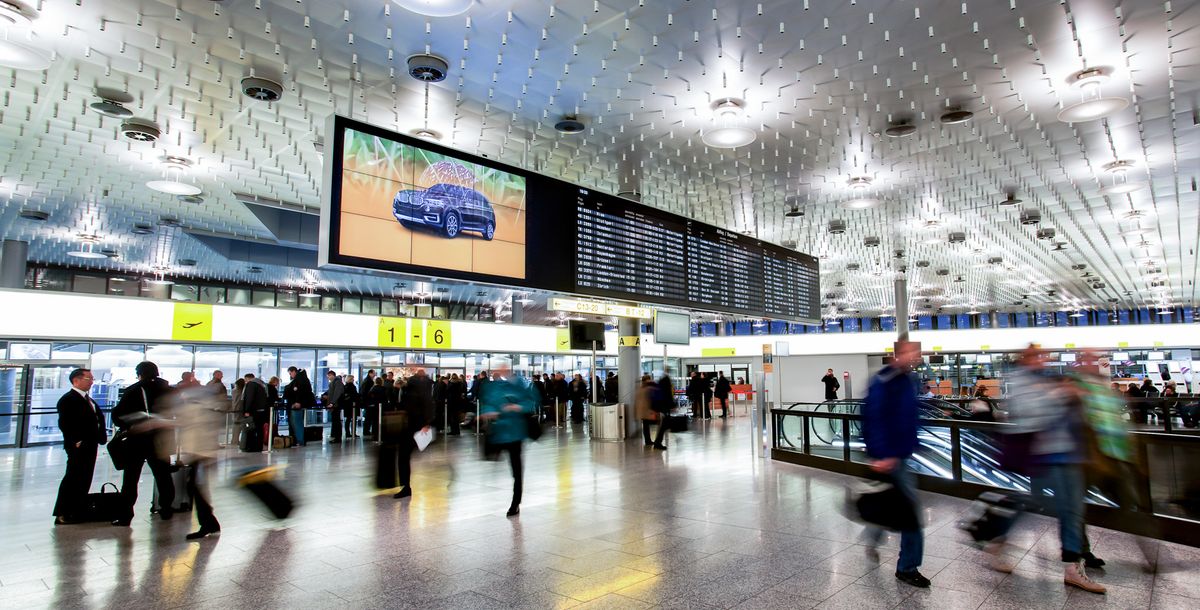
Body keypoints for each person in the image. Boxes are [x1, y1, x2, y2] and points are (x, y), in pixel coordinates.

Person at [1000, 345, 1106, 593]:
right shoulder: (1019, 381)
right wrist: (1060, 394)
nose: (1044, 360)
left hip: (1069, 453)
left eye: (1045, 356)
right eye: (1038, 356)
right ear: (1026, 359)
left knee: (1072, 511)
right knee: (1039, 504)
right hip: (1044, 456)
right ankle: (997, 536)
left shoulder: (1049, 379)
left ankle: (1072, 567)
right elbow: (1029, 413)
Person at [861, 340, 929, 589]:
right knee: (911, 516)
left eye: (917, 354)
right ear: (897, 354)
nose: (915, 358)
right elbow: (873, 418)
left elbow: (909, 416)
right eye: (911, 353)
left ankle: (873, 533)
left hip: (902, 453)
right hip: (890, 456)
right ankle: (907, 568)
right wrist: (881, 454)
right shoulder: (884, 381)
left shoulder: (908, 381)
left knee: (892, 502)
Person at [111, 361, 176, 526]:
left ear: (139, 373)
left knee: (131, 478)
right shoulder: (169, 390)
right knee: (163, 475)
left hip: (138, 440)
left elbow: (118, 416)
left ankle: (126, 515)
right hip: (162, 438)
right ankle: (166, 509)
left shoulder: (133, 390)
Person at [479, 361, 540, 516]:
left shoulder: (519, 384)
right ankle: (515, 500)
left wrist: (517, 407)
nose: (501, 371)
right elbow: (489, 404)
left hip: (515, 433)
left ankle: (515, 502)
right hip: (500, 433)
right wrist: (488, 412)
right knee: (498, 458)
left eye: (504, 369)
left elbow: (531, 401)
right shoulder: (494, 387)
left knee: (516, 470)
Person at [168, 383, 223, 540]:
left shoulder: (194, 408)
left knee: (196, 488)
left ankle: (208, 523)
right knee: (197, 488)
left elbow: (187, 425)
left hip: (200, 454)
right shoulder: (206, 407)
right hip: (202, 454)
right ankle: (209, 523)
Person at [53, 368, 107, 524]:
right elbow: (65, 423)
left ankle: (76, 510)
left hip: (90, 444)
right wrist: (76, 440)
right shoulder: (68, 399)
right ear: (76, 380)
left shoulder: (88, 399)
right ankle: (62, 512)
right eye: (88, 379)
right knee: (73, 478)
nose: (91, 382)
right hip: (79, 446)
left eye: (92, 379)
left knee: (84, 478)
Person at [394, 368, 434, 499]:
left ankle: (406, 486)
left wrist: (426, 423)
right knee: (404, 456)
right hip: (413, 425)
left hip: (412, 426)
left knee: (404, 456)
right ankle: (405, 486)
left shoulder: (415, 388)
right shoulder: (424, 387)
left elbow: (423, 406)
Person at [283, 367, 315, 446]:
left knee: (297, 423)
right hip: (298, 404)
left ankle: (299, 441)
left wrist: (298, 402)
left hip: (296, 405)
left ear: (294, 371)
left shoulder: (299, 380)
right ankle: (298, 440)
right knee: (297, 423)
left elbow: (299, 392)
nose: (290, 375)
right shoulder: (303, 379)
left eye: (290, 373)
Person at [241, 373, 270, 448]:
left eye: (245, 380)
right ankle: (259, 445)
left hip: (254, 411)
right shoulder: (262, 385)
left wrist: (247, 410)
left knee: (251, 428)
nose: (245, 382)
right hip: (262, 410)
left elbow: (249, 398)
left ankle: (251, 446)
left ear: (248, 379)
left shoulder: (251, 384)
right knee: (260, 429)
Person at [651, 372, 675, 449]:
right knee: (664, 425)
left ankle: (657, 442)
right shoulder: (666, 381)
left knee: (663, 425)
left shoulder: (661, 381)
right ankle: (657, 443)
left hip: (660, 406)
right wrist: (672, 405)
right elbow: (668, 395)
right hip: (664, 406)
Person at [635, 374, 658, 446]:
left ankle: (648, 440)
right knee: (646, 426)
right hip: (647, 410)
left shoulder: (641, 387)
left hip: (643, 410)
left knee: (646, 426)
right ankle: (648, 441)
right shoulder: (648, 388)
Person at [326, 371, 345, 442]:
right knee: (335, 420)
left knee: (336, 421)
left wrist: (332, 403)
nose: (328, 377)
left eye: (329, 375)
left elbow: (337, 393)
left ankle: (337, 437)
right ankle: (335, 436)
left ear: (332, 375)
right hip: (335, 404)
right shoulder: (334, 382)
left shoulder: (337, 382)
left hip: (336, 405)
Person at [342, 374, 359, 439]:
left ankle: (347, 433)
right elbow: (355, 395)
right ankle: (353, 433)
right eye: (352, 379)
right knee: (353, 419)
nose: (353, 380)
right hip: (352, 405)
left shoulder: (345, 386)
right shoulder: (352, 386)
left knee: (348, 420)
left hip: (347, 405)